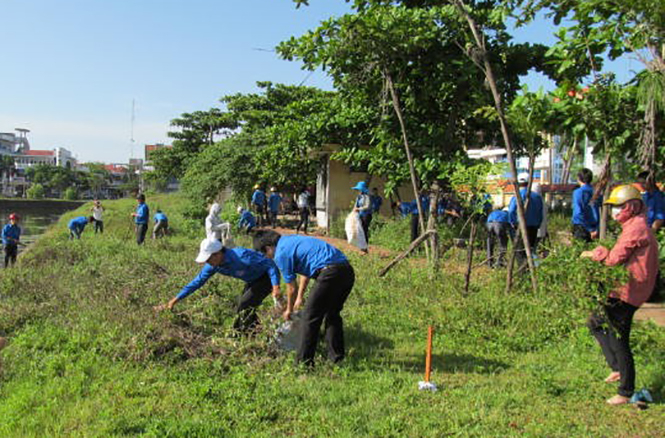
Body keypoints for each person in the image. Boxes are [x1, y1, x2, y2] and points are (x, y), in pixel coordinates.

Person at [580, 184, 658, 405]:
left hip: (629, 290)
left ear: (631, 206)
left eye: (618, 206)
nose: (614, 211)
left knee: (619, 337)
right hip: (624, 287)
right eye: (613, 206)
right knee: (595, 322)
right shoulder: (634, 225)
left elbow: (614, 259)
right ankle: (616, 369)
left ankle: (625, 391)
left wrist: (593, 253)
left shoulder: (636, 228)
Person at [254, 230, 355, 367]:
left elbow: (291, 288)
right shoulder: (292, 240)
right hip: (346, 271)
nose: (269, 258)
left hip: (330, 272)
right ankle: (336, 358)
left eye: (266, 255)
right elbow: (306, 272)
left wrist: (288, 310)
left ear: (268, 248)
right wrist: (299, 298)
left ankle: (303, 364)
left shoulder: (280, 253)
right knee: (332, 314)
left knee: (310, 316)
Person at [157, 238, 281, 333]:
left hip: (266, 278)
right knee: (243, 305)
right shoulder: (213, 266)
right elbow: (196, 282)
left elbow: (270, 265)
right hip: (252, 280)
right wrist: (173, 301)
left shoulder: (242, 256)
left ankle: (242, 334)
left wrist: (276, 287)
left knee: (244, 305)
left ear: (218, 254)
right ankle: (253, 332)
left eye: (209, 259)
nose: (207, 263)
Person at [508, 174, 543, 265]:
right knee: (530, 251)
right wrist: (538, 224)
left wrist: (512, 222)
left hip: (521, 227)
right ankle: (530, 272)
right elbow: (540, 213)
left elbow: (511, 211)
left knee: (520, 252)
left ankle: (522, 274)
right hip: (533, 228)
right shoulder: (537, 197)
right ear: (528, 183)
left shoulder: (517, 196)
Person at [572, 168, 600, 243]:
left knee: (580, 252)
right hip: (595, 227)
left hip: (581, 227)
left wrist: (589, 229)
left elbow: (578, 213)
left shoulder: (578, 192)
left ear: (579, 178)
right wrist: (595, 229)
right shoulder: (596, 193)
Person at [352, 181, 372, 252]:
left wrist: (358, 209)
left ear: (362, 190)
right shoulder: (359, 197)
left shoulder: (367, 197)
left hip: (366, 215)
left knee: (364, 231)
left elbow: (367, 206)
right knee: (359, 231)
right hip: (360, 215)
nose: (358, 191)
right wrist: (354, 210)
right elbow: (355, 205)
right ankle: (361, 247)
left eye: (359, 190)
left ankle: (365, 248)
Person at [533, 183, 549, 250]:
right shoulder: (543, 202)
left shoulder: (533, 200)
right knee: (537, 247)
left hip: (533, 229)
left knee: (532, 248)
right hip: (542, 230)